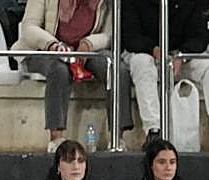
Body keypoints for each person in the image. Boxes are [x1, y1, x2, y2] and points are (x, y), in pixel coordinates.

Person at [14, 0, 132, 153]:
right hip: (43, 48)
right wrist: (52, 45)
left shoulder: (107, 2)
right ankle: (56, 139)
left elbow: (110, 34)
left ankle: (117, 138)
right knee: (59, 70)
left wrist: (89, 44)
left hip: (88, 50)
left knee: (116, 68)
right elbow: (29, 28)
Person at [122, 0, 209, 152]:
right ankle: (154, 131)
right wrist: (154, 50)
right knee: (141, 63)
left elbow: (200, 37)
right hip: (147, 53)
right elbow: (131, 37)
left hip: (182, 56)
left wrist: (182, 55)